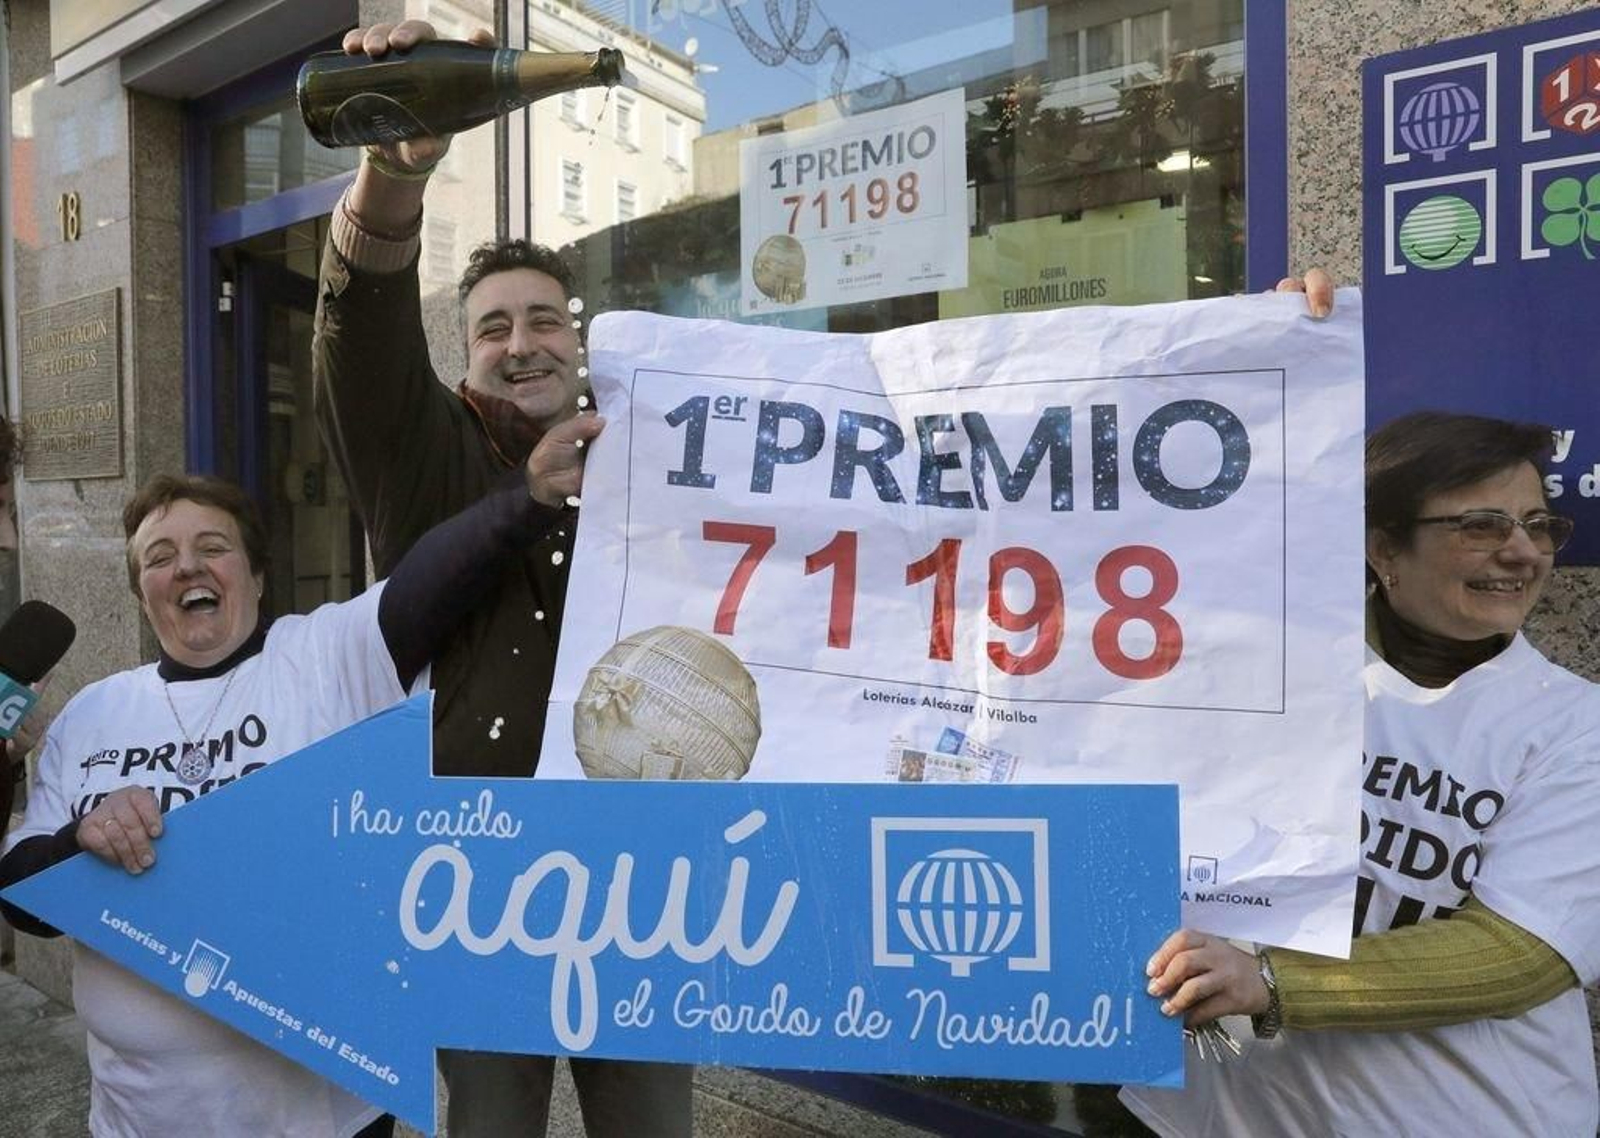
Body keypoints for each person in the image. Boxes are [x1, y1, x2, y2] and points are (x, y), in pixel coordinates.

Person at [311, 19, 687, 1138]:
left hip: (641, 875)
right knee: (488, 1122)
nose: (518, 343)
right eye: (490, 328)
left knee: (654, 1123)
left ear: (577, 340)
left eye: (541, 320)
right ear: (464, 351)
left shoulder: (656, 453)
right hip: (481, 877)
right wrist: (393, 162)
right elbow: (361, 321)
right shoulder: (418, 445)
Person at [0, 457, 586, 1137]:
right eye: (160, 557)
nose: (187, 567)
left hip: (322, 1117)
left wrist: (530, 494)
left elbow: (430, 581)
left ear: (255, 575)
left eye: (213, 548)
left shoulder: (323, 654)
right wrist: (80, 844)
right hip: (138, 1117)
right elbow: (21, 900)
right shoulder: (91, 714)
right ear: (142, 592)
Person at [1122, 412, 1600, 1137]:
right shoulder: (1278, 665)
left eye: (1539, 525)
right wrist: (1269, 348)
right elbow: (1216, 535)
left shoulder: (1573, 725)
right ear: (1383, 547)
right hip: (1227, 1116)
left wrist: (1274, 982)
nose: (1523, 551)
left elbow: (1522, 954)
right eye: (1482, 525)